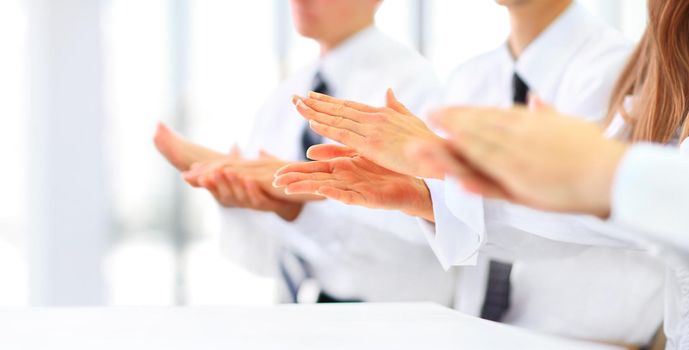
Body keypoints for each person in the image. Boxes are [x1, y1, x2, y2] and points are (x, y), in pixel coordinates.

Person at [275, 0, 666, 347]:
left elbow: (580, 216)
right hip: (477, 331)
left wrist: (447, 173)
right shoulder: (469, 78)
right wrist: (429, 196)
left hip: (591, 338)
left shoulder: (619, 71)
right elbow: (465, 236)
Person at [154, 0, 456, 304]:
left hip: (396, 325)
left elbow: (433, 240)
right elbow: (264, 259)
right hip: (306, 318)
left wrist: (300, 208)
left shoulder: (415, 89)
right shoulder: (288, 94)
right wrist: (238, 196)